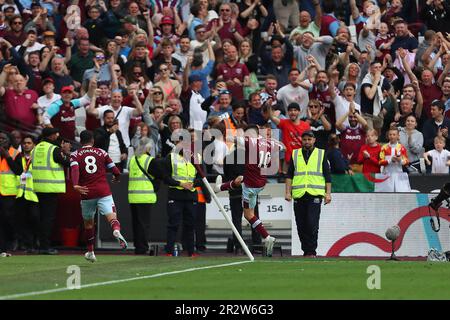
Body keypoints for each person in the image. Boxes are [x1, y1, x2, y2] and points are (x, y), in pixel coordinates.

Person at [214, 125, 278, 257]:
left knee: (246, 216)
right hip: (258, 184)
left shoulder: (245, 147)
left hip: (248, 187)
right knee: (251, 212)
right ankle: (263, 241)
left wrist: (225, 134)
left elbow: (234, 140)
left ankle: (260, 239)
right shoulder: (267, 146)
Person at [71, 130, 128, 263]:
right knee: (112, 217)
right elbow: (115, 170)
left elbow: (74, 169)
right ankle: (116, 230)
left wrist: (75, 185)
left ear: (81, 141)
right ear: (92, 141)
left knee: (89, 224)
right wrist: (117, 177)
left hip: (86, 192)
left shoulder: (75, 154)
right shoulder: (102, 152)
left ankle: (91, 251)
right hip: (103, 191)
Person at [285, 130, 332, 257]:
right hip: (299, 193)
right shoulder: (295, 154)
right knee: (301, 225)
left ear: (314, 140)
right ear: (302, 140)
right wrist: (288, 192)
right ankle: (306, 250)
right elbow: (289, 175)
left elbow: (327, 176)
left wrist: (328, 194)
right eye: (305, 139)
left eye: (309, 139)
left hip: (314, 193)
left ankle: (311, 251)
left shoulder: (321, 154)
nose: (307, 142)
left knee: (312, 224)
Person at [161, 129, 201, 257]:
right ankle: (169, 251)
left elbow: (202, 177)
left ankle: (191, 252)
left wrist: (193, 184)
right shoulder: (171, 157)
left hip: (191, 195)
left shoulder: (196, 157)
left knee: (190, 224)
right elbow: (165, 178)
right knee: (174, 224)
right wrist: (180, 184)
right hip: (176, 195)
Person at [31, 127, 71, 255]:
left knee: (40, 218)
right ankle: (45, 247)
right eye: (56, 135)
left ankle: (38, 245)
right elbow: (68, 163)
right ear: (52, 136)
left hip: (37, 187)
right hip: (50, 188)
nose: (57, 137)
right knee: (48, 219)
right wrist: (66, 152)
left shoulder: (36, 148)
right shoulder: (54, 149)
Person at [128, 137, 160, 254]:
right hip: (145, 196)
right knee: (143, 225)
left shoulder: (132, 159)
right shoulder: (149, 160)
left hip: (133, 197)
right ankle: (142, 248)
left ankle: (138, 247)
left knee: (136, 224)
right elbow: (158, 176)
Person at [15, 135, 40, 254]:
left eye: (29, 143)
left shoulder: (37, 158)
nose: (26, 145)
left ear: (34, 145)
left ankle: (35, 242)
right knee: (22, 220)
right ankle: (26, 244)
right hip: (20, 194)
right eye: (24, 143)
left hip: (33, 194)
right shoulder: (18, 158)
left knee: (34, 219)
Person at [0, 132, 22, 255]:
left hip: (9, 193)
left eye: (3, 138)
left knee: (8, 219)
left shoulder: (15, 153)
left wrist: (7, 156)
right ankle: (2, 247)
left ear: (9, 140)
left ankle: (13, 238)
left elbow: (18, 171)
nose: (1, 141)